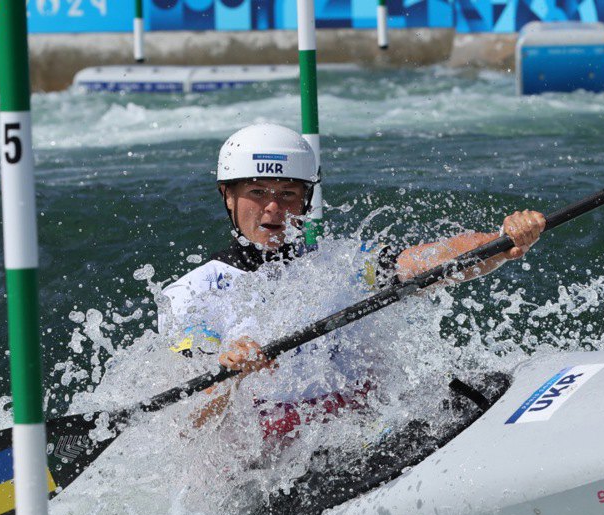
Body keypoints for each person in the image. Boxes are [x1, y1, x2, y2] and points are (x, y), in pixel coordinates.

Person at [158, 123, 545, 453]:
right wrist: (228, 370)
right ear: (228, 194)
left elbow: (422, 263)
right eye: (257, 192)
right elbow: (188, 418)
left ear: (306, 200)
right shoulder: (191, 293)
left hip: (356, 426)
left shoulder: (337, 263)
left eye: (288, 194)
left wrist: (502, 242)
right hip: (271, 458)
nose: (273, 208)